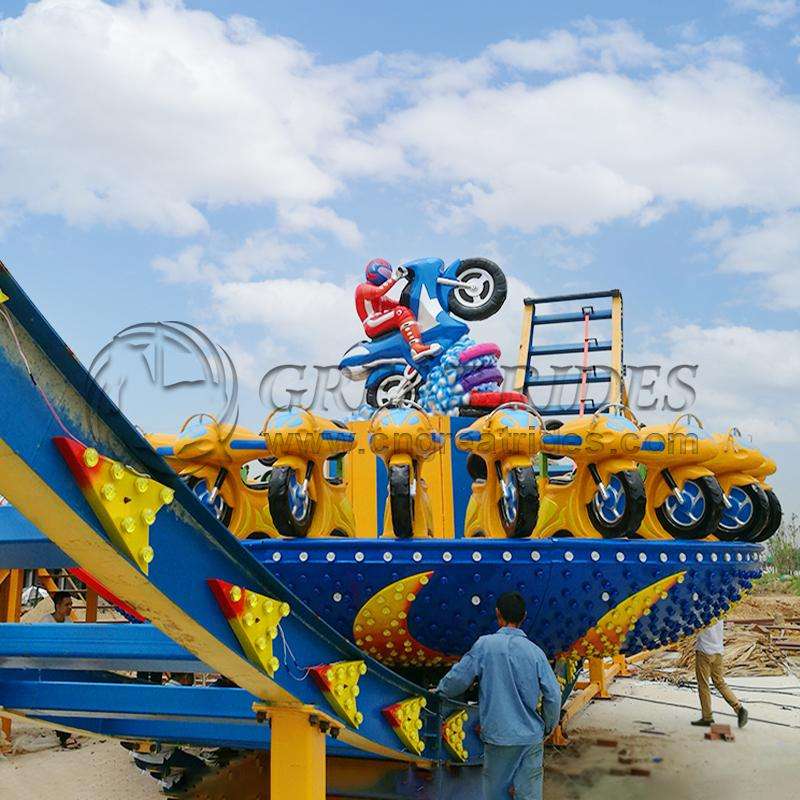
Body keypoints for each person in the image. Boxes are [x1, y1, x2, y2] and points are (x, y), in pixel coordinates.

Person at [436, 592, 561, 800]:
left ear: (497, 614)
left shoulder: (485, 646)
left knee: (496, 792)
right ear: (524, 616)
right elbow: (554, 695)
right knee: (529, 794)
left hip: (499, 737)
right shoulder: (535, 652)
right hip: (530, 738)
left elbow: (458, 679)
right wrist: (548, 726)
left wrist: (440, 692)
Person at [355, 258, 441, 361]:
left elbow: (395, 304)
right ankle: (416, 347)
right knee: (400, 312)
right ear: (373, 271)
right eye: (384, 272)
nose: (386, 276)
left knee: (404, 311)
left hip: (377, 321)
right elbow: (378, 291)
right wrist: (396, 277)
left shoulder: (380, 297)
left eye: (388, 274)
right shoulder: (362, 288)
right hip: (371, 323)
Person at [35, 591, 79, 749]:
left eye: (71, 605)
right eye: (67, 605)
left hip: (63, 667)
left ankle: (65, 733)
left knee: (64, 700)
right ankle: (64, 736)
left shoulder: (69, 622)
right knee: (57, 700)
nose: (70, 608)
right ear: (58, 606)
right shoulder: (45, 622)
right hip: (48, 667)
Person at [692, 618, 748, 728]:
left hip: (704, 651)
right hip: (718, 652)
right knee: (720, 682)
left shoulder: (701, 615)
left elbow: (694, 629)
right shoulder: (719, 613)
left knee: (703, 685)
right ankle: (739, 708)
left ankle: (707, 717)